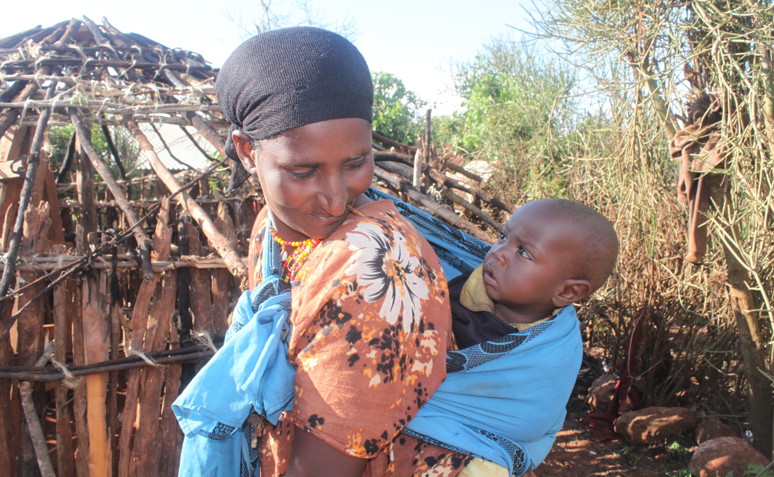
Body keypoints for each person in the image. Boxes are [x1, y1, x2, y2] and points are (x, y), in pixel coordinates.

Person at [172, 26, 483, 477]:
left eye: (356, 164)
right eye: (303, 170)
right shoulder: (270, 232)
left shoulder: (375, 263)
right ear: (245, 150)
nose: (336, 198)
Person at [404, 198, 619, 476]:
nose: (498, 253)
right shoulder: (456, 286)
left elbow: (531, 419)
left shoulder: (551, 349)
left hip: (482, 449)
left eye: (524, 253)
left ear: (567, 293)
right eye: (503, 237)